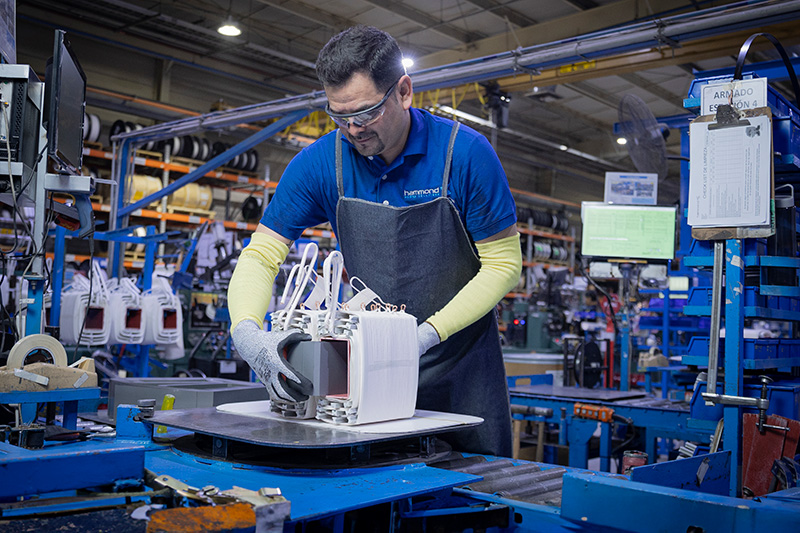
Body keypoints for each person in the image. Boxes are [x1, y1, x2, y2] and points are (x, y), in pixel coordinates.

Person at [228, 25, 522, 457]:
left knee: (473, 500)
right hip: (362, 372)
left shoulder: (465, 155)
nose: (353, 129)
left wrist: (424, 336)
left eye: (366, 113)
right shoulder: (320, 163)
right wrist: (248, 334)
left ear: (403, 91)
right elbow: (261, 255)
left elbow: (503, 265)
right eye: (339, 116)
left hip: (460, 369)